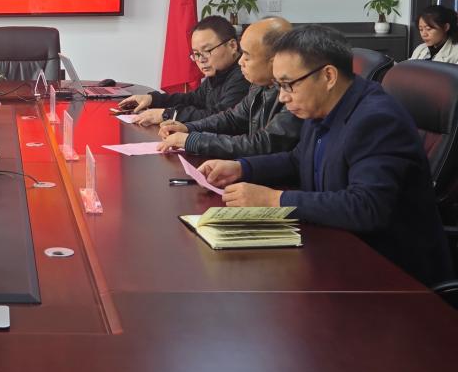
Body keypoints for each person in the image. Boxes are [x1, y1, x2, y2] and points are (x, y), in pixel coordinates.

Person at [198, 25, 451, 286]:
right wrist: (242, 168)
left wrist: (274, 200)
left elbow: (366, 207)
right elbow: (298, 160)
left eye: (288, 85)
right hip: (337, 248)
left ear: (328, 76)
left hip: (393, 275)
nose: (282, 97)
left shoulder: (376, 120)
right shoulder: (324, 106)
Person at [158, 17, 302, 156]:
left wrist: (193, 140)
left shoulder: (295, 95)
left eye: (247, 56)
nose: (240, 62)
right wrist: (189, 128)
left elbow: (263, 144)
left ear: (276, 60)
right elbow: (232, 117)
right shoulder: (258, 85)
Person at [120, 15, 249, 126]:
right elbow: (193, 99)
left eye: (207, 51)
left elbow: (219, 117)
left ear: (232, 46)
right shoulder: (219, 73)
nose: (201, 59)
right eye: (196, 54)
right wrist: (153, 99)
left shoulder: (244, 76)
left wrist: (168, 114)